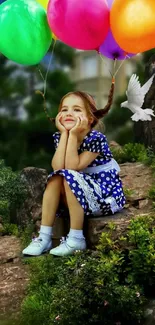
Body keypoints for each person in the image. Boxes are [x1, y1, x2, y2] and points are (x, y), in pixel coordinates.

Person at [22, 87, 126, 257]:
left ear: (90, 118)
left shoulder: (96, 139)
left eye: (77, 110)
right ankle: (44, 237)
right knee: (56, 177)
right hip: (76, 191)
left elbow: (72, 167)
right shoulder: (59, 136)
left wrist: (72, 136)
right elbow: (58, 167)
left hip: (102, 193)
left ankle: (76, 238)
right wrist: (64, 134)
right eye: (64, 110)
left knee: (67, 176)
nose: (69, 113)